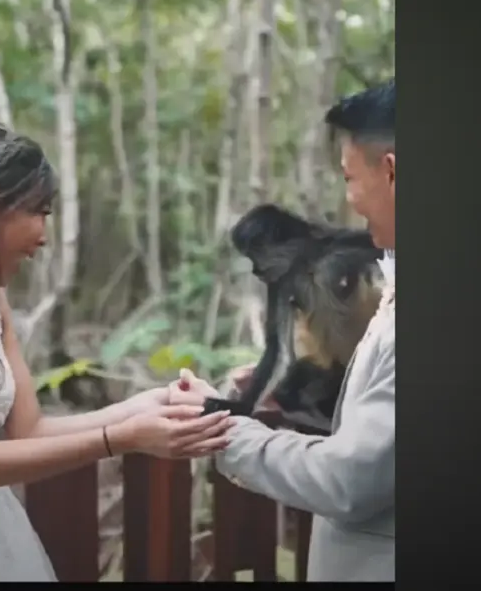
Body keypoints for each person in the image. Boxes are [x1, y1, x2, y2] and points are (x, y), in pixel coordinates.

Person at [0, 120, 234, 582]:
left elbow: (28, 432)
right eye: (39, 211)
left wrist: (136, 408)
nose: (44, 236)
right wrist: (122, 439)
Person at [170, 81, 397, 581]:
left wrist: (225, 430)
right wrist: (234, 406)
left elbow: (348, 481)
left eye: (349, 178)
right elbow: (274, 353)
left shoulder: (338, 258)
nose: (350, 198)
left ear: (392, 171)